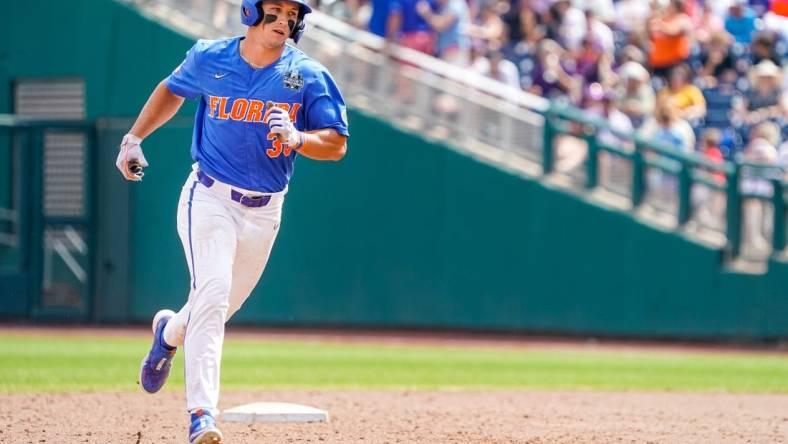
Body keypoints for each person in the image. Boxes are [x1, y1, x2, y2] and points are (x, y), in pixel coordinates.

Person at [116, 1, 349, 442]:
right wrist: (133, 138)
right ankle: (202, 414)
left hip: (265, 210)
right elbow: (171, 88)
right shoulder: (211, 57)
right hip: (209, 196)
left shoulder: (306, 74)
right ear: (251, 11)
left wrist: (299, 138)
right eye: (275, 10)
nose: (283, 21)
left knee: (217, 307)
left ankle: (168, 332)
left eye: (291, 15)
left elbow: (336, 143)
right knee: (215, 294)